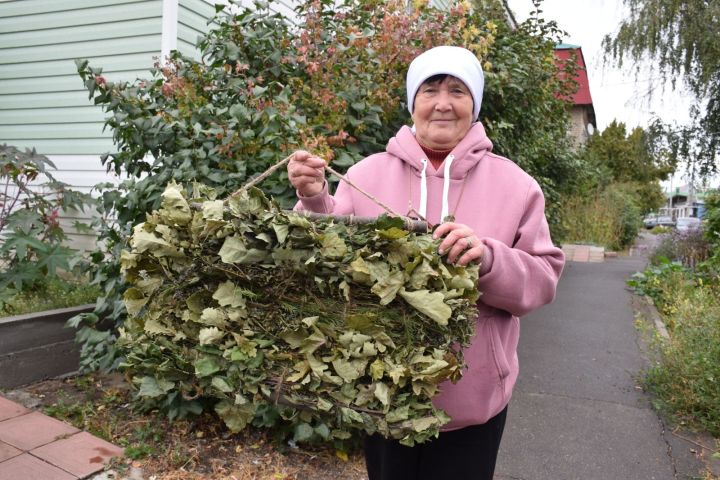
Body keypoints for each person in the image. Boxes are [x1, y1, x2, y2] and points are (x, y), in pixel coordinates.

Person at [287, 45, 564, 480]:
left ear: (474, 105)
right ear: (412, 102)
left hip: (471, 402)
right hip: (382, 393)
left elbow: (543, 280)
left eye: (457, 90)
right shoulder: (365, 174)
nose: (442, 102)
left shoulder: (516, 185)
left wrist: (488, 259)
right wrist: (313, 198)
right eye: (430, 89)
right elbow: (323, 258)